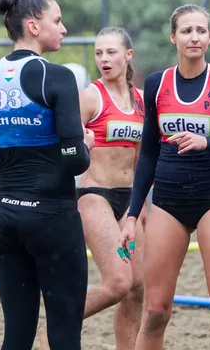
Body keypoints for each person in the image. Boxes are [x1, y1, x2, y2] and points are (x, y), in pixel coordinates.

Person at [118, 4, 210, 350]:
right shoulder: (156, 85)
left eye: (200, 31)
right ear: (173, 37)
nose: (194, 37)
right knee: (155, 311)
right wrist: (133, 214)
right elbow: (149, 154)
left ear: (209, 38)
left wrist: (209, 143)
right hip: (168, 203)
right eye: (186, 31)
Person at [0, 0, 92, 350]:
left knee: (16, 336)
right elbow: (75, 161)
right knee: (64, 336)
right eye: (57, 20)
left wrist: (20, 160)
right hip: (51, 218)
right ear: (33, 26)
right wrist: (84, 146)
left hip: (4, 218)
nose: (64, 29)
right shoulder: (59, 77)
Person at [38, 26, 147, 350]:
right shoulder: (89, 97)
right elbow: (56, 144)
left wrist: (142, 207)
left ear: (128, 56)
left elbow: (143, 159)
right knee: (117, 283)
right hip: (95, 196)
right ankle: (58, 322)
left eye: (111, 52)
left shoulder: (141, 100)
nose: (104, 59)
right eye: (99, 53)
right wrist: (78, 147)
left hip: (130, 201)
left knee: (138, 287)